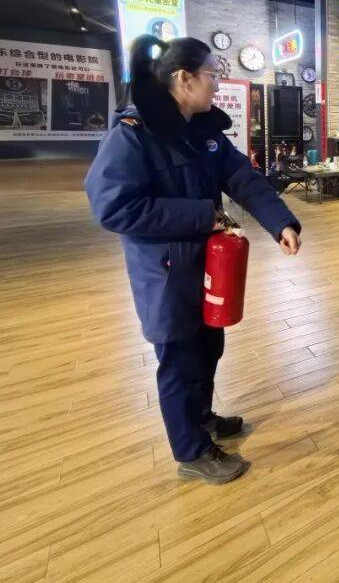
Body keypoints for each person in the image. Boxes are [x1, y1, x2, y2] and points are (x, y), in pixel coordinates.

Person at [85, 35, 302, 486]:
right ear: (184, 80)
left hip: (207, 269)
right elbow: (115, 208)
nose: (217, 84)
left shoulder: (203, 132)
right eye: (211, 75)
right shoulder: (133, 136)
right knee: (179, 360)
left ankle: (201, 419)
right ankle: (190, 451)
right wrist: (203, 215)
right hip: (165, 275)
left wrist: (280, 222)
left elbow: (243, 177)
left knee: (208, 347)